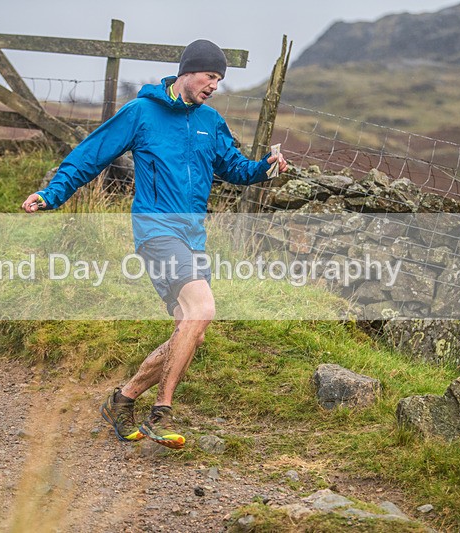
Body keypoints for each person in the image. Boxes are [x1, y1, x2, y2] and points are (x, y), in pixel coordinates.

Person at [21, 39, 287, 449]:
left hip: (193, 237)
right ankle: (161, 412)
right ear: (187, 72)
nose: (214, 85)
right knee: (203, 309)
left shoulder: (210, 122)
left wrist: (265, 169)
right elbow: (89, 155)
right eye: (209, 76)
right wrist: (53, 194)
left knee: (191, 329)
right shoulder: (141, 113)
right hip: (156, 232)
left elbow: (235, 168)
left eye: (219, 78)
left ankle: (123, 399)